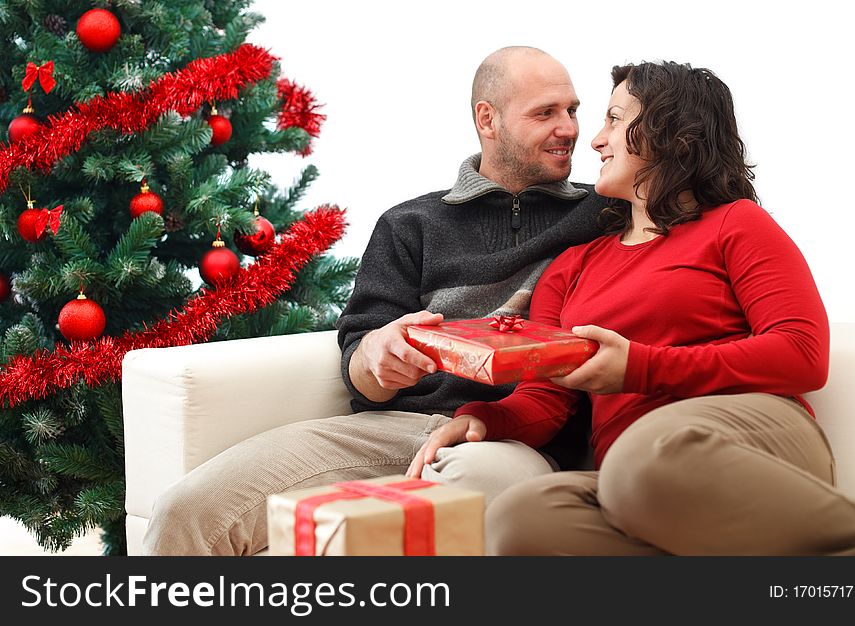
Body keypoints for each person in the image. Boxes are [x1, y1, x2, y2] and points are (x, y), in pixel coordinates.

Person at [143, 46, 607, 555]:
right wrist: (377, 357)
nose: (569, 128)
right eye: (546, 113)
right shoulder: (411, 225)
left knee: (458, 492)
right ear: (487, 119)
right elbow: (360, 367)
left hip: (506, 440)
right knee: (187, 510)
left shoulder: (604, 213)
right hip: (389, 429)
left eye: (573, 110)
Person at [416, 61, 855, 555]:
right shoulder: (573, 266)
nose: (594, 140)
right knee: (523, 518)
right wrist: (484, 418)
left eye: (614, 119)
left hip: (743, 438)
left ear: (669, 133)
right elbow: (546, 400)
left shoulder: (735, 225)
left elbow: (802, 354)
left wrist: (641, 367)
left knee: (647, 460)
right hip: (632, 479)